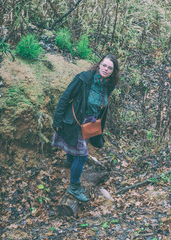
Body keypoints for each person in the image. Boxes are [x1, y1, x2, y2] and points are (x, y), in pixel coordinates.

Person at [52, 54, 120, 202]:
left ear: (113, 71)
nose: (106, 69)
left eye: (110, 68)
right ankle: (74, 187)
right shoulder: (84, 78)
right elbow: (66, 96)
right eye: (104, 65)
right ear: (99, 64)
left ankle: (70, 163)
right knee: (82, 156)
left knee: (78, 152)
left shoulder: (109, 85)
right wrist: (57, 119)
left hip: (90, 125)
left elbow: (102, 106)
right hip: (76, 122)